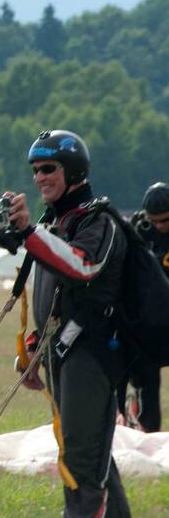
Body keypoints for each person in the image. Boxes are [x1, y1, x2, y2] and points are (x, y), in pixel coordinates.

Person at [5, 129, 139, 518]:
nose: (40, 177)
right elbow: (50, 292)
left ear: (74, 172)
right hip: (60, 351)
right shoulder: (54, 223)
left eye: (49, 169)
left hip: (95, 351)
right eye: (36, 170)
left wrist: (29, 233)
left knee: (81, 449)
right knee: (91, 448)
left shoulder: (97, 221)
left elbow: (81, 266)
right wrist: (32, 348)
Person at [116, 181, 169, 432]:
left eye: (165, 221)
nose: (159, 226)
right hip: (149, 321)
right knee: (145, 376)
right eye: (154, 221)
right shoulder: (140, 231)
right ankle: (147, 433)